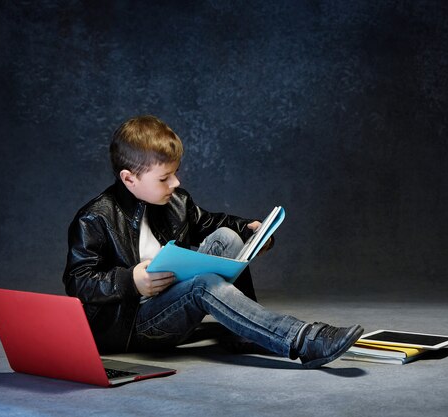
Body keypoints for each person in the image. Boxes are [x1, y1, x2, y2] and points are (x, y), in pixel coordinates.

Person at [63, 115, 364, 368]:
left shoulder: (176, 202)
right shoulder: (95, 217)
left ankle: (244, 332)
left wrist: (249, 231)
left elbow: (210, 224)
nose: (176, 183)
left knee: (227, 238)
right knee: (202, 284)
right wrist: (131, 281)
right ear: (129, 179)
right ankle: (303, 339)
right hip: (135, 327)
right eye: (164, 178)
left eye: (175, 173)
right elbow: (78, 281)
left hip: (170, 304)